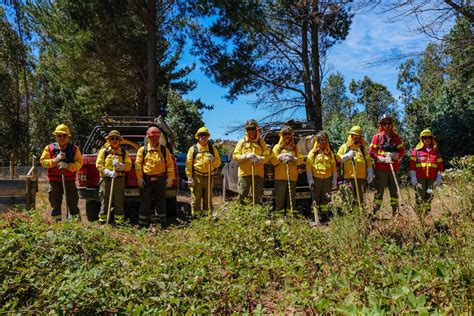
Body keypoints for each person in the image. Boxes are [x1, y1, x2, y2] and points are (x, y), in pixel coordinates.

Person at [40, 124, 83, 221]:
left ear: (68, 137)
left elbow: (79, 163)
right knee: (55, 205)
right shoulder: (49, 148)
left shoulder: (74, 149)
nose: (62, 138)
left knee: (73, 204)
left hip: (70, 181)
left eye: (64, 135)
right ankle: (57, 226)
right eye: (59, 135)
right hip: (54, 181)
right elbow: (43, 162)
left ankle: (77, 226)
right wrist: (55, 160)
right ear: (55, 136)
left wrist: (68, 166)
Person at [135, 125, 175, 228]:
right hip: (146, 179)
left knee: (161, 201)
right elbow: (138, 165)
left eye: (157, 136)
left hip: (160, 179)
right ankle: (143, 224)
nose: (155, 138)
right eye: (152, 136)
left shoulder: (163, 150)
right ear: (148, 137)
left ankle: (161, 223)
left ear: (159, 137)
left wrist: (170, 178)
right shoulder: (142, 150)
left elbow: (170, 165)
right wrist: (139, 178)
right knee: (145, 202)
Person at [369, 115, 406, 218]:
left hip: (394, 168)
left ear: (392, 124)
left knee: (394, 191)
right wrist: (381, 158)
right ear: (381, 125)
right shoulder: (377, 136)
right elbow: (371, 152)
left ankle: (396, 213)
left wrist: (395, 156)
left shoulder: (396, 137)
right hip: (381, 169)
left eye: (389, 123)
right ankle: (375, 213)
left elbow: (402, 151)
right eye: (385, 123)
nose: (387, 125)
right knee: (379, 192)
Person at [96, 130, 132, 224]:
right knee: (105, 200)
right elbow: (99, 164)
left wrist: (120, 166)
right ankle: (103, 221)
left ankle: (119, 222)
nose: (114, 140)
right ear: (109, 140)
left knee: (119, 201)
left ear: (120, 140)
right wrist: (108, 172)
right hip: (105, 179)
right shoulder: (103, 151)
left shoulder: (124, 152)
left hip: (119, 179)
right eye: (112, 138)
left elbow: (129, 166)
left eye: (116, 138)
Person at [233, 119, 270, 205]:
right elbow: (235, 156)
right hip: (244, 173)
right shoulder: (242, 142)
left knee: (257, 196)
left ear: (256, 129)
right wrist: (245, 156)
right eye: (249, 129)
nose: (251, 131)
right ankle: (242, 216)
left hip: (258, 174)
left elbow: (267, 156)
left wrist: (259, 158)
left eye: (253, 129)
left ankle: (256, 215)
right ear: (246, 130)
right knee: (242, 195)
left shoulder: (261, 142)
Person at [185, 127, 221, 216]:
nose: (203, 137)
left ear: (208, 137)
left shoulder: (212, 149)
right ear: (198, 137)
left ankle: (207, 217)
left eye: (205, 135)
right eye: (201, 135)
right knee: (196, 198)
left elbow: (218, 163)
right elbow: (188, 164)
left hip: (209, 176)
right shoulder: (193, 149)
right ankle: (196, 217)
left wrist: (213, 160)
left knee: (208, 198)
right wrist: (189, 177)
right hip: (197, 177)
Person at [336, 126, 373, 210]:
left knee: (361, 199)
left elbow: (368, 161)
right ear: (350, 135)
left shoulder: (363, 148)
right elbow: (338, 159)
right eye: (354, 135)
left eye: (358, 136)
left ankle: (361, 216)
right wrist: (347, 155)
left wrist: (370, 172)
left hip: (361, 177)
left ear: (360, 137)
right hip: (348, 177)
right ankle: (350, 215)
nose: (356, 138)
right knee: (349, 198)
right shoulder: (344, 147)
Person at [270, 125, 303, 217]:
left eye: (289, 134)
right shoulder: (277, 147)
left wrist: (293, 159)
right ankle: (280, 217)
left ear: (291, 135)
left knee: (291, 199)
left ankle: (291, 217)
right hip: (280, 178)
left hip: (292, 177)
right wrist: (280, 157)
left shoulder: (295, 148)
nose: (287, 136)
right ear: (282, 135)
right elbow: (273, 161)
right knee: (280, 199)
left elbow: (300, 160)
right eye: (285, 134)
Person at [409, 129, 444, 214]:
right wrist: (413, 177)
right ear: (422, 139)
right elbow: (412, 165)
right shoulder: (416, 151)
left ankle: (426, 214)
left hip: (432, 178)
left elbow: (440, 166)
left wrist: (439, 177)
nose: (427, 139)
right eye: (425, 138)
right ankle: (419, 215)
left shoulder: (436, 151)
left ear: (432, 139)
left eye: (429, 137)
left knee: (429, 197)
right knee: (420, 196)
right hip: (420, 178)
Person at [306, 131, 337, 224]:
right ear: (317, 141)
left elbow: (334, 167)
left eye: (324, 141)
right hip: (316, 178)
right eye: (320, 141)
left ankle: (324, 216)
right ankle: (314, 217)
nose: (322, 143)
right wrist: (310, 179)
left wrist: (334, 179)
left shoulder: (330, 153)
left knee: (326, 197)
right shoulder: (313, 153)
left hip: (327, 178)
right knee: (315, 198)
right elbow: (308, 167)